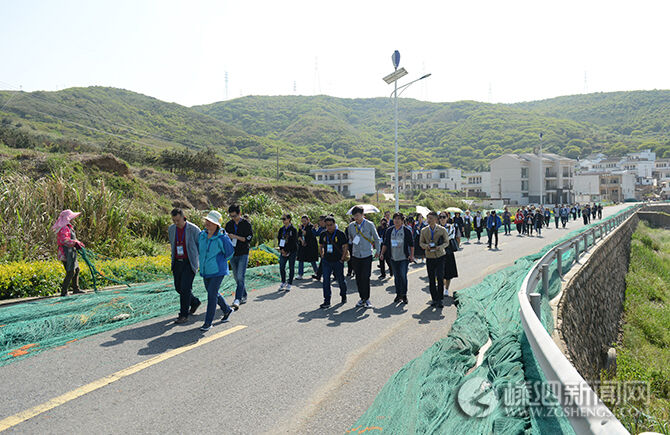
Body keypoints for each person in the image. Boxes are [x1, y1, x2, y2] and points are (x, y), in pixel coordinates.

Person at [198, 210, 235, 332]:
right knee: (212, 292)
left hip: (218, 271)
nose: (208, 223)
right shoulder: (202, 235)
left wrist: (219, 261)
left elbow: (229, 252)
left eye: (211, 221)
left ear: (217, 225)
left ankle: (208, 322)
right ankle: (227, 310)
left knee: (211, 295)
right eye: (207, 220)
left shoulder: (222, 237)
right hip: (205, 270)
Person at [168, 208, 202, 323]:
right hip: (177, 262)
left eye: (178, 220)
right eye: (174, 220)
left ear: (183, 217)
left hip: (189, 262)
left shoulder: (194, 229)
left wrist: (200, 262)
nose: (176, 223)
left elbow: (201, 246)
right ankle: (194, 302)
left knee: (185, 288)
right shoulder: (172, 229)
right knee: (179, 288)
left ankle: (183, 315)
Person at [348, 206, 381, 308]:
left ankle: (366, 299)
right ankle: (362, 298)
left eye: (357, 215)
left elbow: (376, 238)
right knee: (358, 278)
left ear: (362, 215)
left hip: (367, 254)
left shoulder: (369, 224)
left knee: (365, 277)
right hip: (355, 255)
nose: (356, 218)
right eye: (354, 216)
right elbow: (350, 239)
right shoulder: (351, 226)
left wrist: (378, 251)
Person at [380, 212, 414, 304]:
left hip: (403, 257)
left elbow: (411, 244)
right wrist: (382, 253)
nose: (396, 221)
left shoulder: (406, 231)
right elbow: (386, 243)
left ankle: (404, 295)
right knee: (397, 277)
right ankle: (398, 295)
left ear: (402, 221)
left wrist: (411, 256)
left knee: (403, 276)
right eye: (395, 219)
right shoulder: (389, 230)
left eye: (399, 219)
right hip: (393, 257)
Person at [225, 204, 253, 310]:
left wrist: (235, 236)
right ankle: (244, 294)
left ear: (239, 214)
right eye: (231, 216)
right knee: (236, 277)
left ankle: (238, 298)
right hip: (233, 254)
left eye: (235, 216)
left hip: (243, 253)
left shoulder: (246, 224)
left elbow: (248, 239)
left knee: (241, 276)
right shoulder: (229, 224)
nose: (233, 218)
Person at [53, 209, 85, 297]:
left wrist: (78, 243)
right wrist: (74, 243)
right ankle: (64, 291)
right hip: (65, 253)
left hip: (71, 252)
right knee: (70, 271)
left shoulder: (68, 227)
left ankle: (76, 288)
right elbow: (64, 240)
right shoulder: (64, 228)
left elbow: (71, 238)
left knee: (76, 269)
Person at [318, 216, 349, 309]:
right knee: (326, 281)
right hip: (327, 261)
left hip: (337, 261)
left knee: (341, 280)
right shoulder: (323, 234)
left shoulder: (340, 234)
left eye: (331, 225)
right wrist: (322, 254)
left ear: (334, 224)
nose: (329, 227)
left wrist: (342, 259)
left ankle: (343, 294)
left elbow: (345, 247)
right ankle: (327, 301)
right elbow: (321, 245)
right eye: (327, 225)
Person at [419, 212, 448, 308]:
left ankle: (440, 299)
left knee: (440, 278)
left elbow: (446, 242)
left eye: (431, 218)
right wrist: (426, 246)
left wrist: (440, 247)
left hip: (440, 256)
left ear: (436, 219)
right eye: (428, 218)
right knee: (431, 279)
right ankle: (434, 299)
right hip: (429, 257)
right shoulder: (424, 230)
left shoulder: (442, 229)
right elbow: (421, 243)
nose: (429, 220)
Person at [277, 214, 299, 291]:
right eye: (282, 219)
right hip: (283, 251)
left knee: (291, 267)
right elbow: (279, 240)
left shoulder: (293, 229)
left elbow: (294, 242)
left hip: (292, 251)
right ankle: (283, 282)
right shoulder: (281, 229)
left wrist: (287, 251)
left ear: (289, 219)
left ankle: (289, 283)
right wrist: (282, 249)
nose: (283, 220)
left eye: (284, 219)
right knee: (282, 267)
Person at [297, 215, 319, 280]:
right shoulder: (301, 227)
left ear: (308, 220)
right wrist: (301, 240)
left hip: (311, 246)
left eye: (305, 221)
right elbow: (299, 235)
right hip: (303, 245)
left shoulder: (312, 227)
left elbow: (309, 234)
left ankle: (317, 272)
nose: (303, 222)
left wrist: (302, 230)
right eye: (302, 221)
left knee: (312, 260)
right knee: (300, 259)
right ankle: (300, 274)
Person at [443, 219, 459, 298]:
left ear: (446, 218)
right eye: (440, 217)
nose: (442, 219)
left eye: (443, 217)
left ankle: (446, 289)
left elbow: (450, 236)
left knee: (448, 273)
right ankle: (442, 286)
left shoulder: (450, 227)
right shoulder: (436, 227)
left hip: (448, 251)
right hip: (439, 252)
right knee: (440, 273)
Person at [311, 215, 327, 280]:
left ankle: (335, 275)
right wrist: (314, 229)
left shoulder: (330, 227)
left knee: (331, 261)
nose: (319, 222)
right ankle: (318, 275)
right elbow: (316, 234)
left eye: (320, 220)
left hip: (330, 247)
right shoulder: (321, 228)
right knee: (322, 261)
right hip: (323, 246)